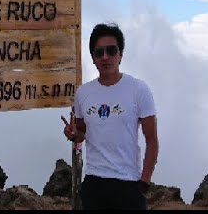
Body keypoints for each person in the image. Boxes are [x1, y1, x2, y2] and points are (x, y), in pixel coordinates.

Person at [62, 22, 159, 210]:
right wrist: (73, 134)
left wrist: (144, 183)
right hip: (94, 182)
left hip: (128, 184)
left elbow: (152, 140)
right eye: (99, 52)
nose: (105, 57)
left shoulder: (138, 89)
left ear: (120, 54)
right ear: (93, 58)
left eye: (111, 50)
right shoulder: (83, 93)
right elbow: (81, 132)